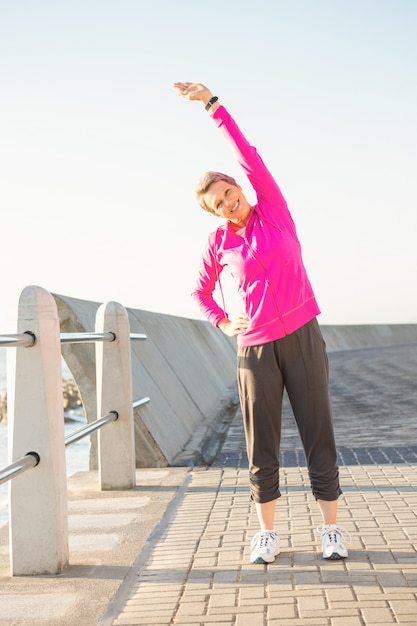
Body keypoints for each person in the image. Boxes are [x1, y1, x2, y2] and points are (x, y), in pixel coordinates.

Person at [173, 81, 350, 564]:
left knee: (319, 432)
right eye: (219, 203)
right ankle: (266, 534)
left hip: (303, 337)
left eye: (229, 193)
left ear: (239, 187)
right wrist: (224, 321)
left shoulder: (272, 209)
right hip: (254, 348)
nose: (229, 203)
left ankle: (330, 530)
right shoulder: (218, 244)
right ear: (213, 212)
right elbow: (199, 290)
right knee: (261, 443)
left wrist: (213, 106)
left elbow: (247, 153)